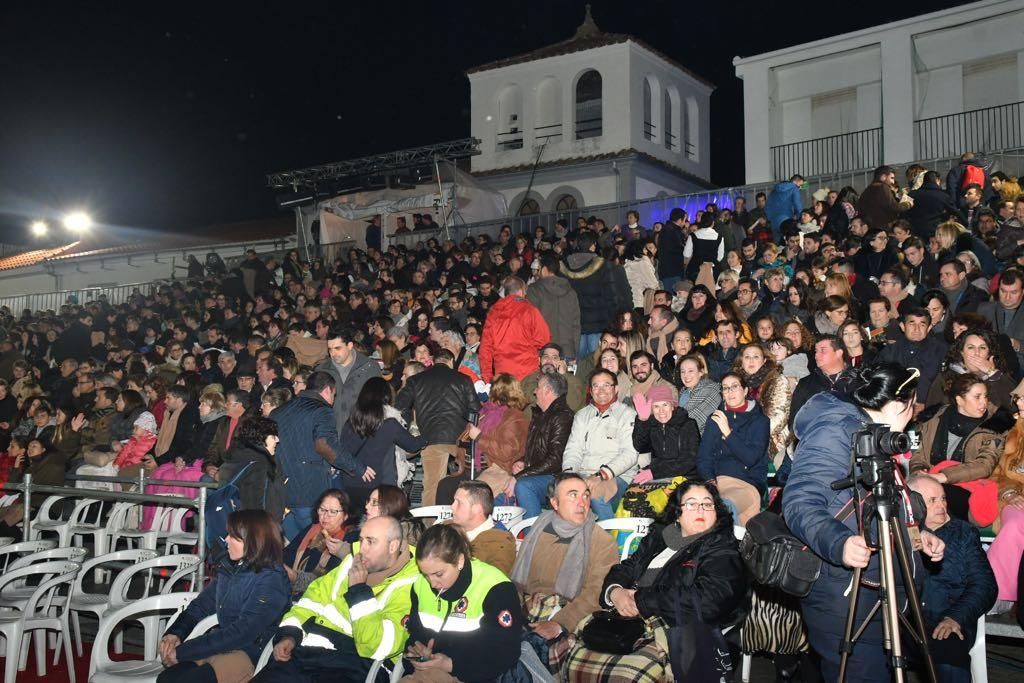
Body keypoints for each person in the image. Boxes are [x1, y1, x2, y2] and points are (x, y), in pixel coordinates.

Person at [784, 364, 946, 682]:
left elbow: (879, 501)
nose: (912, 417)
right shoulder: (836, 430)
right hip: (844, 592)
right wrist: (839, 543)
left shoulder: (874, 434)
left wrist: (916, 535)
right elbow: (799, 502)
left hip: (879, 586)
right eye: (911, 408)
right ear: (901, 404)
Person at [566, 482, 746, 681]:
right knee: (573, 655)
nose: (700, 510)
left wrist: (642, 600)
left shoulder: (721, 547)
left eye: (707, 504)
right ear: (677, 512)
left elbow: (709, 600)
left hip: (677, 628)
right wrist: (615, 592)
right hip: (628, 619)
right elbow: (627, 567)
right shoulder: (661, 536)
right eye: (692, 504)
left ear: (716, 511)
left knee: (627, 676)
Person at [255, 516, 420, 683]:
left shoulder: (413, 584)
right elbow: (309, 602)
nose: (362, 549)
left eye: (371, 542)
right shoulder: (350, 562)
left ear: (393, 546)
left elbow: (378, 647)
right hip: (306, 654)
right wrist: (289, 635)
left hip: (356, 665)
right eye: (361, 540)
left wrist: (358, 591)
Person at [158, 510, 290, 683]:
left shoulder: (271, 578)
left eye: (233, 536)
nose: (226, 539)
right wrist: (176, 633)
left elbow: (242, 632)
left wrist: (183, 651)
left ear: (253, 541)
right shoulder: (231, 568)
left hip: (250, 653)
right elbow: (201, 606)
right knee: (168, 678)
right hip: (224, 645)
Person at [510, 472, 619, 674]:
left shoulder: (601, 541)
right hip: (527, 608)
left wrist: (560, 623)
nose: (582, 502)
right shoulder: (539, 529)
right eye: (573, 495)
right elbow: (516, 579)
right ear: (555, 503)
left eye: (586, 495)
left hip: (567, 614)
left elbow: (596, 593)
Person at [402, 524, 525, 682]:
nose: (432, 583)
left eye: (439, 574)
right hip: (426, 674)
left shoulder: (496, 587)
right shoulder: (420, 586)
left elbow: (505, 652)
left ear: (460, 561)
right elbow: (415, 634)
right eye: (425, 575)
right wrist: (416, 652)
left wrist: (451, 665)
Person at [906, 475, 997, 682]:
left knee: (949, 649)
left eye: (943, 499)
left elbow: (984, 584)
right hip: (906, 621)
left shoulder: (964, 533)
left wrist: (955, 617)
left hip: (947, 620)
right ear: (913, 505)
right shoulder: (900, 533)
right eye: (932, 501)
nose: (942, 506)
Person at [272, 370, 373, 541]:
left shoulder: (279, 412)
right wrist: (357, 467)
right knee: (314, 545)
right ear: (327, 390)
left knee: (294, 547)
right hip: (310, 490)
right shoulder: (321, 411)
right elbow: (325, 446)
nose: (333, 400)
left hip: (283, 493)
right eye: (334, 394)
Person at [911, 372, 1012, 528]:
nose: (983, 402)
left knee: (937, 498)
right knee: (917, 494)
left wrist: (942, 476)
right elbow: (919, 454)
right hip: (933, 482)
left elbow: (984, 465)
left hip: (969, 487)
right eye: (977, 397)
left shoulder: (996, 424)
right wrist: (919, 472)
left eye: (985, 396)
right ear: (959, 400)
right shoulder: (935, 418)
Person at [395, 351, 480, 506]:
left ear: (433, 361)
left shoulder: (415, 380)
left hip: (430, 438)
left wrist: (410, 427)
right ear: (451, 361)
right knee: (466, 483)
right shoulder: (463, 379)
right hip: (460, 438)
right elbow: (475, 410)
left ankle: (430, 524)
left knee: (431, 486)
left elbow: (400, 407)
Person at [561, 369, 640, 520]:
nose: (601, 390)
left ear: (616, 389)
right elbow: (573, 449)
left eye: (606, 385)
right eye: (596, 386)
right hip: (584, 473)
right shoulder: (582, 415)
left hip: (616, 475)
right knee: (562, 490)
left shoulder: (628, 415)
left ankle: (608, 540)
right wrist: (570, 475)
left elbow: (630, 454)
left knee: (595, 493)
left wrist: (600, 475)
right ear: (590, 390)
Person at [340, 377, 425, 510]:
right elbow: (413, 445)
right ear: (386, 398)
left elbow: (342, 453)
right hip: (379, 489)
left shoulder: (350, 423)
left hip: (350, 486)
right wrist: (427, 436)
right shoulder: (390, 424)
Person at [696, 372, 770, 525]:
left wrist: (728, 433)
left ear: (745, 390)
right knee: (690, 506)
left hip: (746, 484)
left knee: (722, 507)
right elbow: (704, 457)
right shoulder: (715, 419)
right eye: (725, 388)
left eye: (734, 387)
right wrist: (710, 481)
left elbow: (751, 458)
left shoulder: (760, 421)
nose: (729, 392)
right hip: (716, 484)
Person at [511, 372, 575, 517]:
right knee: (500, 498)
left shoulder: (562, 416)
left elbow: (555, 460)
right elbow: (537, 451)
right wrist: (522, 462)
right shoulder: (541, 415)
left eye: (537, 387)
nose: (534, 391)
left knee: (522, 486)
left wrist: (520, 475)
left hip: (555, 477)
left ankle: (533, 535)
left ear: (547, 390)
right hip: (539, 474)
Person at [282, 488, 359, 597]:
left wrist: (295, 577)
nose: (325, 515)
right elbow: (288, 553)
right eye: (322, 509)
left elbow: (329, 581)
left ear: (346, 516)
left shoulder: (350, 539)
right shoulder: (313, 529)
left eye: (333, 511)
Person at [478, 276, 551, 383]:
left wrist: (488, 378)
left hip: (503, 375)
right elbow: (544, 340)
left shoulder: (493, 312)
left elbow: (485, 348)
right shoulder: (530, 310)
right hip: (527, 373)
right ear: (521, 291)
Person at [924, 328, 1016, 410]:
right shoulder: (945, 378)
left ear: (989, 353)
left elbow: (1015, 406)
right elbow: (930, 413)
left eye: (982, 348)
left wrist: (993, 373)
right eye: (971, 347)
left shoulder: (999, 377)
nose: (977, 353)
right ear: (962, 352)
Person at [316, 326, 382, 432]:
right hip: (331, 432)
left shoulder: (369, 367)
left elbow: (378, 401)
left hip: (361, 431)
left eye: (337, 348)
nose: (333, 354)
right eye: (330, 349)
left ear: (350, 345)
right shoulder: (322, 370)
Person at [631, 383, 700, 482]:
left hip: (687, 476)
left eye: (665, 404)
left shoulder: (688, 424)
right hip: (658, 474)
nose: (661, 411)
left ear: (672, 406)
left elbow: (689, 461)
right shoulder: (652, 424)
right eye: (656, 406)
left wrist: (654, 472)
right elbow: (640, 447)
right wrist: (642, 421)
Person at [448, 480, 516, 575]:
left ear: (477, 509)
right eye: (454, 501)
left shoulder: (500, 543)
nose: (452, 507)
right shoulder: (446, 528)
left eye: (459, 503)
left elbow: (495, 583)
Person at [526, 252, 582, 360]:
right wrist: (574, 349)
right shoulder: (571, 292)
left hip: (544, 351)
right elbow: (576, 324)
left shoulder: (534, 290)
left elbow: (530, 322)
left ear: (544, 269)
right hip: (567, 348)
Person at [520, 343, 586, 413]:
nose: (549, 361)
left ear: (561, 362)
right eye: (546, 357)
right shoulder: (528, 380)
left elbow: (573, 404)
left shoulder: (573, 381)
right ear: (539, 360)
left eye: (554, 358)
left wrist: (564, 375)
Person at [677, 353, 720, 435]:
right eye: (683, 372)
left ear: (701, 372)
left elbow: (695, 422)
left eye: (691, 371)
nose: (686, 375)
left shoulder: (711, 389)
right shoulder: (682, 392)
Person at [765, 174, 805, 242]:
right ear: (797, 182)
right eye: (800, 185)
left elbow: (767, 207)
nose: (800, 188)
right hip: (786, 221)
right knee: (794, 243)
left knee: (778, 247)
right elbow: (797, 206)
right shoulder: (794, 189)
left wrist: (770, 219)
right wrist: (800, 218)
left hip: (773, 223)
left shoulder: (774, 190)